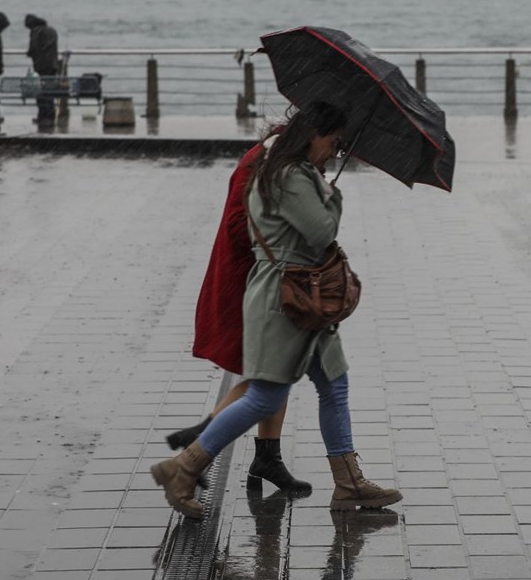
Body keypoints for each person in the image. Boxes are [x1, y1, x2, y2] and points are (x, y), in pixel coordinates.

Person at [151, 102, 402, 519]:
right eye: (334, 141)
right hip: (289, 299)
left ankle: (348, 482)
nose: (336, 151)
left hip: (305, 297)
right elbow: (322, 231)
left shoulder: (281, 168)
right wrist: (333, 195)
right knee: (265, 396)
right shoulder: (290, 175)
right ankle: (185, 466)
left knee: (334, 386)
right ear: (314, 134)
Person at [165, 127, 310, 495]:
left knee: (276, 370)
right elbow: (237, 224)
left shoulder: (281, 161)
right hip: (247, 283)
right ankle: (200, 443)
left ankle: (265, 455)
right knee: (268, 375)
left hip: (265, 280)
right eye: (333, 143)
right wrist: (288, 230)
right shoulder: (263, 164)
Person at [25, 14, 59, 126]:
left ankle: (43, 117)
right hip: (53, 65)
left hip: (42, 66)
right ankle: (50, 116)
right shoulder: (51, 30)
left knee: (41, 92)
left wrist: (29, 53)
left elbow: (33, 48)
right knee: (49, 91)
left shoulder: (36, 31)